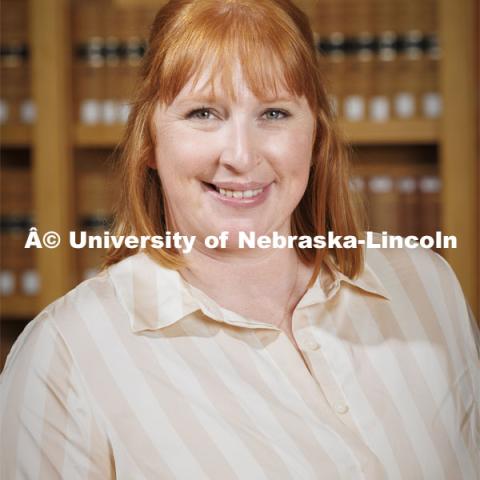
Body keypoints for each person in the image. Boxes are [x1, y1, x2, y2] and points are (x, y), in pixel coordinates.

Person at [1, 0, 479, 478]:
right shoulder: (67, 355)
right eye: (204, 113)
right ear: (148, 140)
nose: (241, 156)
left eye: (274, 113)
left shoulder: (427, 287)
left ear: (316, 135)